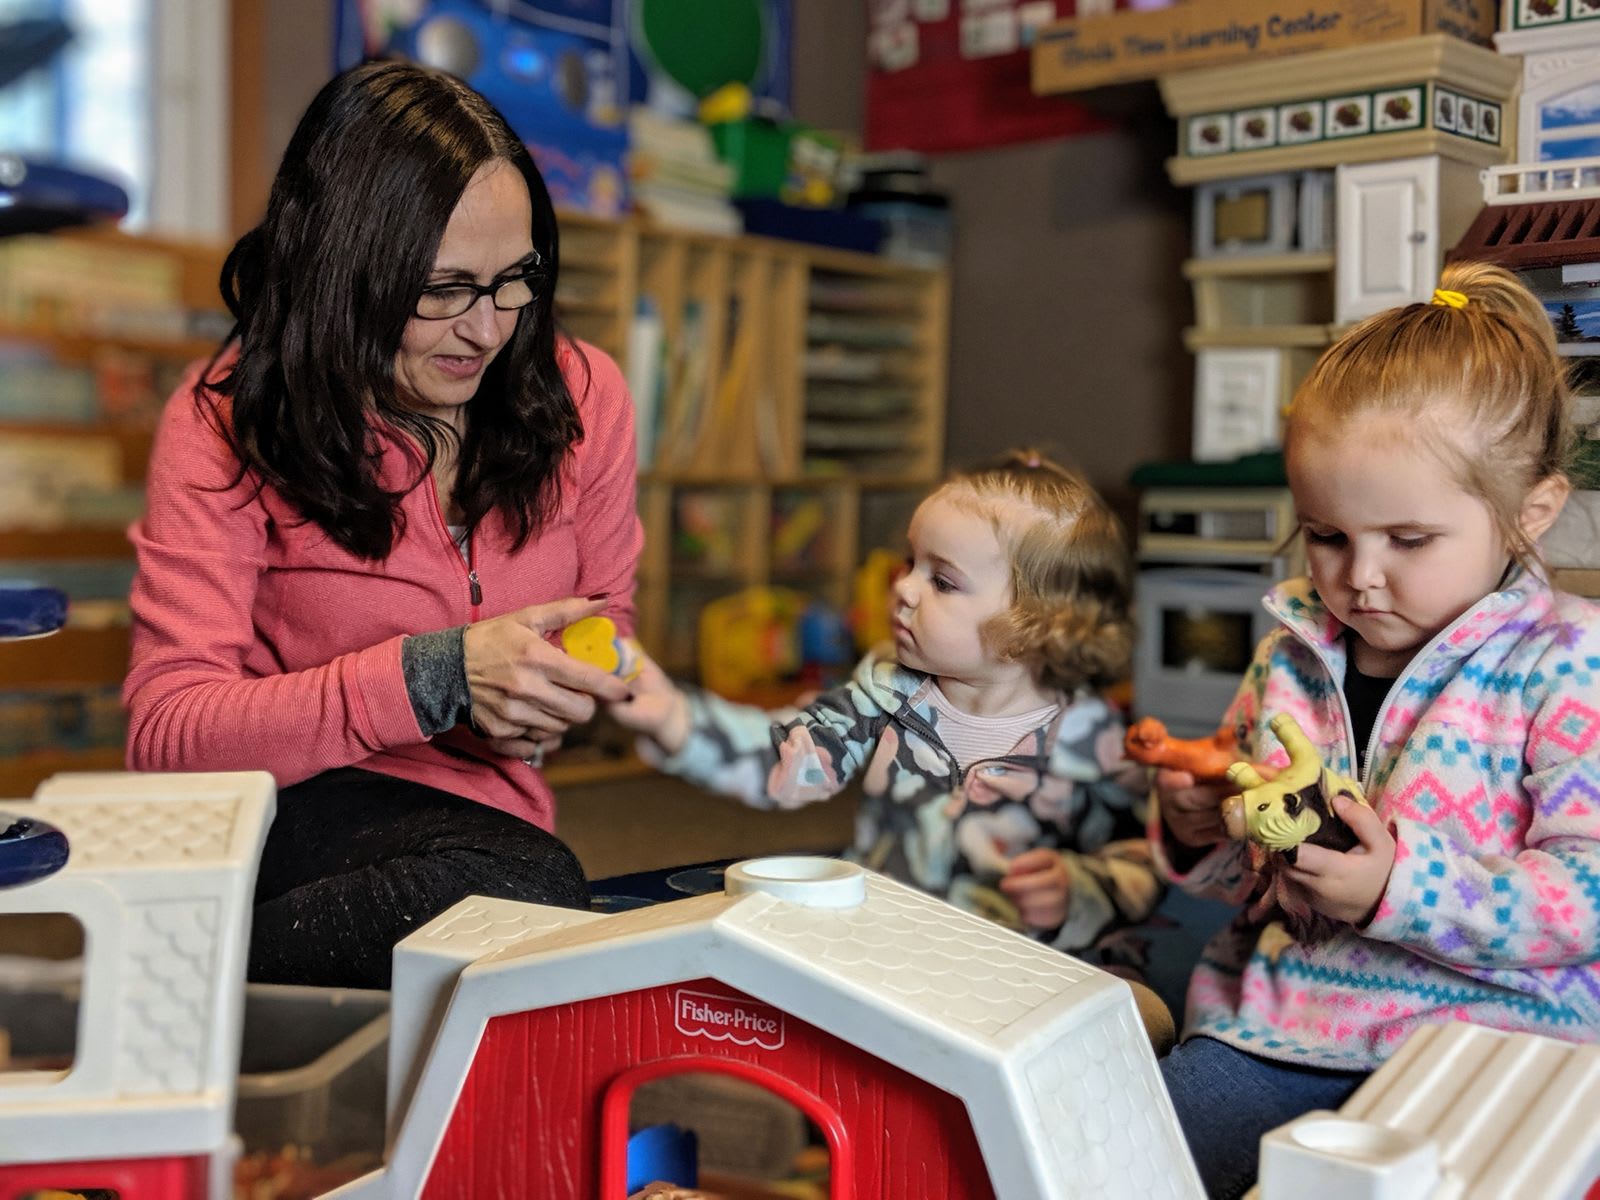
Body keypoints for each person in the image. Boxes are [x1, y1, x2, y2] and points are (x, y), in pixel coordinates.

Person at [122, 60, 642, 989]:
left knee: (528, 906)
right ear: (343, 272)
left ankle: (191, 978)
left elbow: (611, 622)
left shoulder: (584, 394)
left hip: (485, 831)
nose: (487, 330)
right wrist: (436, 677)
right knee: (524, 901)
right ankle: (172, 976)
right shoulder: (224, 421)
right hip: (286, 810)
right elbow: (168, 735)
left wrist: (560, 688)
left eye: (514, 279)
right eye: (443, 289)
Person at [1152, 261, 1600, 1199]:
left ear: (1532, 512)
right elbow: (1256, 877)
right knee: (1124, 1151)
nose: (1359, 579)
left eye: (1407, 540)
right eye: (1326, 534)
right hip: (1281, 1033)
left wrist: (1398, 886)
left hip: (1500, 1051)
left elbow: (1585, 893)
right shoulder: (1290, 656)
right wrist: (1205, 828)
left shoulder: (1570, 663)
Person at [609, 451, 1172, 1041]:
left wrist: (1076, 890)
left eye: (943, 580)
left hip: (1026, 979)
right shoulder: (885, 692)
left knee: (1135, 1013)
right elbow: (789, 757)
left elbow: (1144, 857)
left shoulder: (1095, 742)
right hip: (887, 953)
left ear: (1036, 625)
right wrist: (676, 719)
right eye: (911, 561)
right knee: (752, 968)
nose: (903, 586)